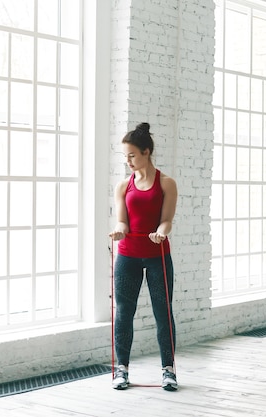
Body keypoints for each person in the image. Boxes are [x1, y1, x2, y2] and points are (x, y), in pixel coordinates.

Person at [109, 122, 179, 391]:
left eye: (132, 155)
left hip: (157, 255)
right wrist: (118, 231)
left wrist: (161, 233)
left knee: (163, 313)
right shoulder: (123, 186)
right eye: (125, 156)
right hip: (128, 256)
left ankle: (169, 370)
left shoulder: (167, 183)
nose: (128, 161)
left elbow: (166, 221)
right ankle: (122, 370)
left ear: (146, 152)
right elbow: (123, 223)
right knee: (124, 313)